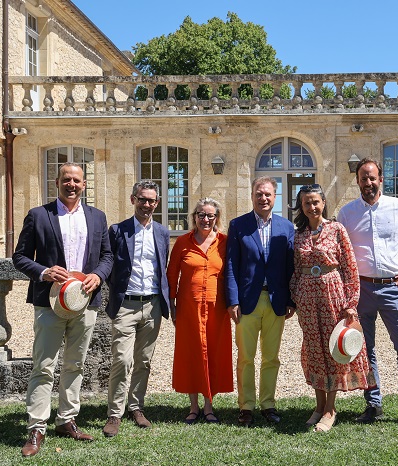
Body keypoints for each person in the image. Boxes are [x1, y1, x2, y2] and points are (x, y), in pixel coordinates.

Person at [13, 162, 113, 457]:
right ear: (57, 182)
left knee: (76, 365)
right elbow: (19, 257)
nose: (72, 184)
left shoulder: (97, 217)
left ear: (84, 184)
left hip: (85, 301)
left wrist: (99, 275)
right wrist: (44, 272)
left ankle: (67, 419)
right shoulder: (38, 215)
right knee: (43, 366)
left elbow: (107, 256)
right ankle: (37, 426)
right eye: (66, 179)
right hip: (49, 302)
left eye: (77, 180)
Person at [337, 157, 398, 433]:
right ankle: (374, 404)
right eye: (363, 178)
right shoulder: (347, 213)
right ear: (357, 181)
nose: (367, 182)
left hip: (394, 287)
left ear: (381, 179)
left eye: (372, 177)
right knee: (365, 349)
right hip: (361, 289)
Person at [289, 184, 375, 433]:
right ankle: (317, 406)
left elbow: (350, 268)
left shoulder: (337, 230)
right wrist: (295, 294)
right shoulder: (299, 235)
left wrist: (350, 303)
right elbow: (295, 269)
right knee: (314, 349)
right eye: (306, 203)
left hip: (333, 296)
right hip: (307, 298)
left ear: (323, 202)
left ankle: (330, 408)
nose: (312, 206)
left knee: (333, 350)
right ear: (301, 206)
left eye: (315, 202)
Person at [102, 180, 171, 437]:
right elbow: (108, 265)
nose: (146, 204)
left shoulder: (162, 233)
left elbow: (163, 267)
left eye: (151, 200)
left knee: (144, 360)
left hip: (152, 304)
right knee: (121, 359)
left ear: (157, 203)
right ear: (133, 200)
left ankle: (136, 407)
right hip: (125, 305)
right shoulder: (118, 230)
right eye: (142, 199)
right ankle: (114, 413)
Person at [226, 176, 295, 427]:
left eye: (267, 194)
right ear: (252, 196)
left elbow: (290, 266)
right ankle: (246, 406)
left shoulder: (286, 228)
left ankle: (268, 404)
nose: (263, 198)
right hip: (247, 302)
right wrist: (232, 300)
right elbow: (232, 265)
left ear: (275, 197)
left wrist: (291, 299)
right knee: (245, 357)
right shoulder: (238, 225)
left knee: (271, 357)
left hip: (276, 301)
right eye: (259, 194)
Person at [167, 198, 233, 424]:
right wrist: (172, 305)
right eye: (201, 215)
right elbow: (171, 274)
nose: (206, 219)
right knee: (192, 354)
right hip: (189, 308)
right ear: (194, 216)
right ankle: (194, 407)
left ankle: (209, 405)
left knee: (213, 354)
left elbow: (232, 274)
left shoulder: (224, 242)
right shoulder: (183, 242)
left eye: (210, 216)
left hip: (217, 309)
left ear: (217, 218)